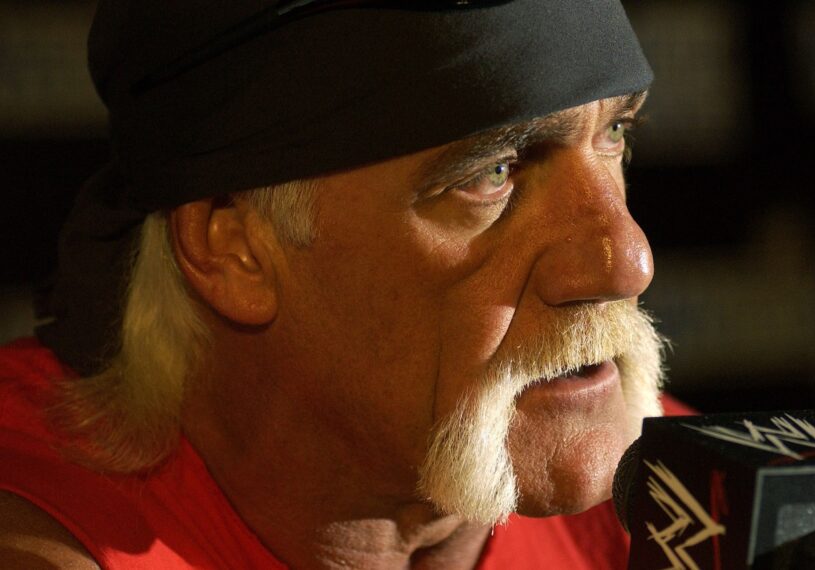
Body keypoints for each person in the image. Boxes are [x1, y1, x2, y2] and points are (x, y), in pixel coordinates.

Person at [0, 0, 690, 567]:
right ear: (234, 248)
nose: (627, 263)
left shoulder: (702, 501)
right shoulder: (37, 533)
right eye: (492, 173)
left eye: (615, 133)